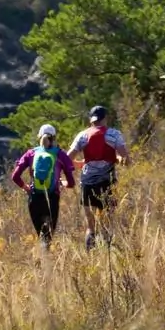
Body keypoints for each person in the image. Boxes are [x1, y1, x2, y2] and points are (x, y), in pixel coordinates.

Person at [67, 106, 131, 250]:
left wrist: (82, 163)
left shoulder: (82, 135)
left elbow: (67, 159)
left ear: (91, 120)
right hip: (107, 182)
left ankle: (90, 256)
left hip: (87, 183)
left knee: (91, 226)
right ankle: (106, 255)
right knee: (107, 223)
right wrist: (116, 158)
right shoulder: (114, 134)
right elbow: (126, 160)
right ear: (105, 118)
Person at [11, 124, 76, 250]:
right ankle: (46, 258)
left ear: (39, 137)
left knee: (41, 235)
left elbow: (15, 176)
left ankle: (42, 258)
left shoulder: (31, 153)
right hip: (52, 198)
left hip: (34, 197)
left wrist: (26, 188)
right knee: (48, 237)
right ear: (54, 138)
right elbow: (72, 183)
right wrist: (63, 183)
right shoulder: (60, 155)